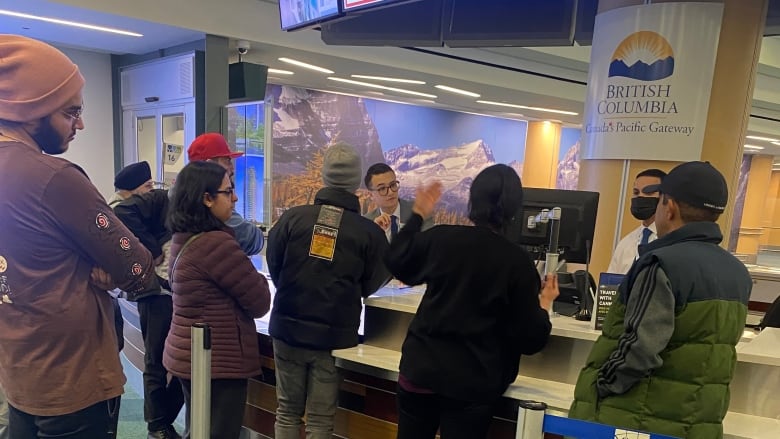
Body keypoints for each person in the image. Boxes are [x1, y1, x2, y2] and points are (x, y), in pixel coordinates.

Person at [0, 34, 159, 438]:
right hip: (75, 379)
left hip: (19, 373)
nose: (81, 124)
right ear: (29, 109)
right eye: (70, 112)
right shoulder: (54, 178)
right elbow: (139, 269)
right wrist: (105, 267)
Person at [569, 161, 752, 439]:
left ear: (670, 206)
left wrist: (601, 383)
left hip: (638, 419)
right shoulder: (737, 272)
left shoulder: (661, 263)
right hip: (698, 420)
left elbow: (640, 348)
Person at [383, 164, 559, 439]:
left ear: (473, 199)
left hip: (421, 370)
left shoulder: (442, 238)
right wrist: (544, 305)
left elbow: (396, 259)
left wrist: (418, 214)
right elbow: (530, 339)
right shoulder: (517, 263)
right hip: (472, 383)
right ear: (514, 208)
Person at [267, 142, 390, 439]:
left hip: (287, 329)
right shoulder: (369, 232)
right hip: (334, 337)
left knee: (286, 412)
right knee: (320, 422)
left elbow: (275, 265)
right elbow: (375, 281)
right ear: (356, 181)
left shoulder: (292, 218)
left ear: (324, 176)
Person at [164, 161, 271, 439]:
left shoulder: (184, 237)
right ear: (207, 198)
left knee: (199, 429)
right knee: (218, 432)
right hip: (217, 361)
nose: (235, 198)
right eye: (229, 191)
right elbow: (260, 301)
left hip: (192, 355)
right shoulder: (216, 244)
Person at [114, 189, 183, 439]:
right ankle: (157, 425)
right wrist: (152, 250)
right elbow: (120, 212)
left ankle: (162, 422)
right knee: (156, 361)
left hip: (177, 293)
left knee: (184, 364)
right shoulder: (163, 198)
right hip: (157, 294)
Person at [187, 132, 264, 255]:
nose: (232, 169)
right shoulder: (213, 207)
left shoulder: (177, 200)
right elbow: (251, 239)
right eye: (227, 161)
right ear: (209, 165)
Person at [606, 168, 667, 274]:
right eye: (636, 192)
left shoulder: (671, 242)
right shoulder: (626, 243)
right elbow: (608, 286)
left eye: (649, 192)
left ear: (664, 197)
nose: (640, 197)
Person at [364, 163, 434, 240]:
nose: (390, 192)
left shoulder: (420, 212)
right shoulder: (366, 223)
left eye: (393, 185)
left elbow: (429, 247)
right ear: (370, 195)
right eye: (382, 188)